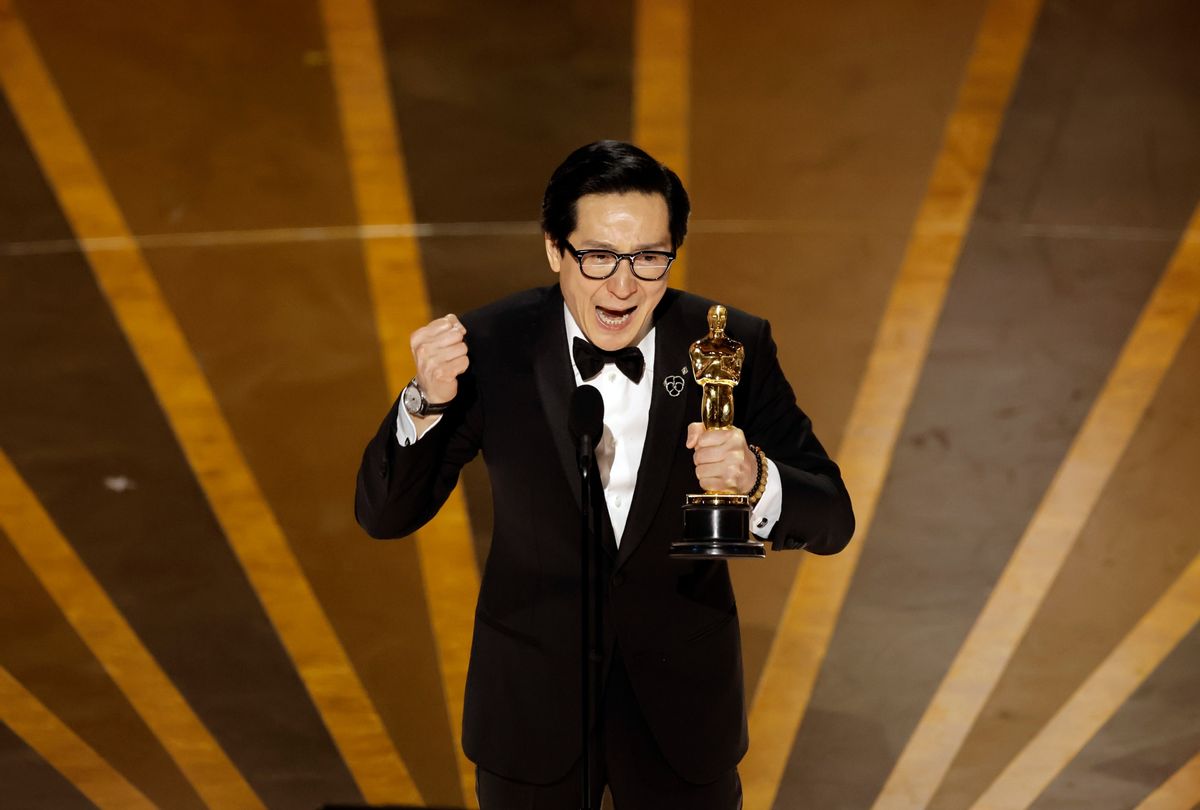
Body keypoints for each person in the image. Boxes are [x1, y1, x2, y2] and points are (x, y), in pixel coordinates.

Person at [355, 140, 854, 809]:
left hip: (683, 716)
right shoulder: (493, 347)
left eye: (649, 258)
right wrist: (425, 403)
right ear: (555, 250)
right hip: (530, 712)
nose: (624, 286)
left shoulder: (731, 345)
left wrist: (757, 481)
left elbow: (833, 518)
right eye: (599, 257)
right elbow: (386, 515)